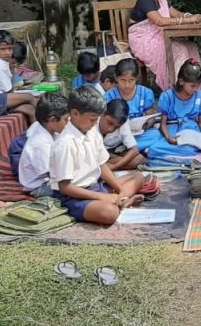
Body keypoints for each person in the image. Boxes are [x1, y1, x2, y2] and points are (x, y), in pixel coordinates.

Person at [50, 86, 146, 225]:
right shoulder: (65, 143)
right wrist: (102, 197)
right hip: (74, 196)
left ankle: (120, 201)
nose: (95, 124)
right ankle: (120, 203)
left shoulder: (92, 132)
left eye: (96, 119)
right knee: (109, 213)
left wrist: (119, 191)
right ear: (75, 113)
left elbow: (102, 165)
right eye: (92, 120)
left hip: (96, 186)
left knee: (138, 176)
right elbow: (65, 187)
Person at [126, 0, 201, 91]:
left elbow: (175, 13)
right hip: (144, 42)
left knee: (191, 46)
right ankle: (179, 86)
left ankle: (197, 83)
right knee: (180, 50)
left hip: (159, 37)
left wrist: (189, 16)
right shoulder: (145, 0)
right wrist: (188, 20)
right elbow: (159, 21)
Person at [136, 60, 201, 158]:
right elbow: (163, 123)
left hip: (191, 132)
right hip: (171, 131)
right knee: (155, 149)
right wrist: (168, 137)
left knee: (191, 148)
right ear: (182, 81)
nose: (195, 89)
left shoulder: (199, 96)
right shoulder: (168, 96)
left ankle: (174, 155)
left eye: (197, 86)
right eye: (192, 86)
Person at [17, 92, 69, 197]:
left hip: (53, 176)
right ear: (53, 120)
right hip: (41, 186)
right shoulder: (40, 143)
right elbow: (55, 174)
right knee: (76, 187)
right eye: (66, 120)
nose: (68, 123)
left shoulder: (52, 132)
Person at [103, 58, 158, 126]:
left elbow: (151, 117)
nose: (127, 85)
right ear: (116, 78)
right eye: (123, 80)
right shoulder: (109, 96)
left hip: (143, 132)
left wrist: (146, 125)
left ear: (137, 78)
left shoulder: (146, 93)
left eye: (131, 80)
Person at [99, 99, 145, 170]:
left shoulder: (122, 123)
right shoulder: (92, 121)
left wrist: (115, 166)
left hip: (111, 154)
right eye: (109, 122)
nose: (110, 129)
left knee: (139, 159)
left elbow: (134, 150)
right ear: (102, 114)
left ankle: (105, 169)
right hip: (97, 155)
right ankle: (104, 168)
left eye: (116, 127)